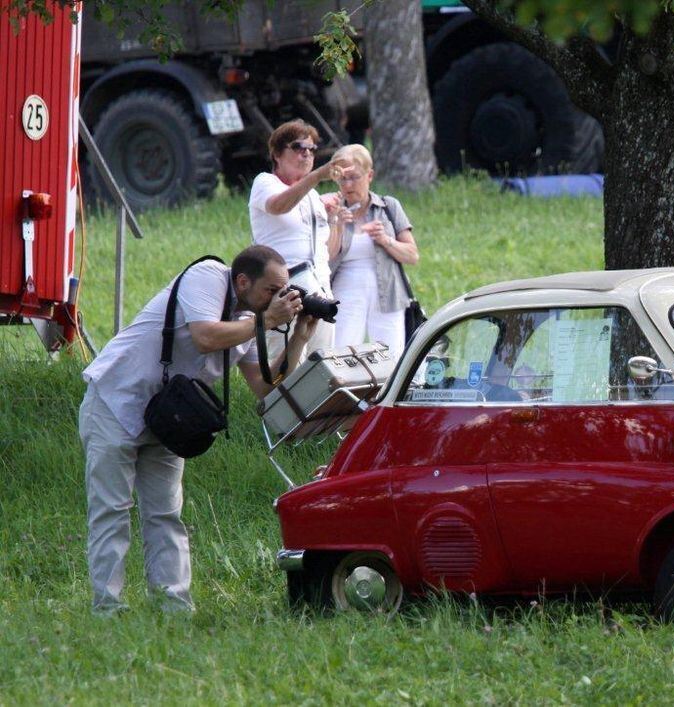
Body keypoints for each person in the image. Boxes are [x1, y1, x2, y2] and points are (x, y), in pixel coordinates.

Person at [79, 245, 316, 614]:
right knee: (112, 510)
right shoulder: (207, 276)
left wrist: (300, 334)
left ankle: (174, 607)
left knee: (165, 513)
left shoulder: (248, 318)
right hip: (116, 401)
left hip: (168, 417)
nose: (278, 298)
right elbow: (205, 336)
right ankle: (108, 609)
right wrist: (266, 321)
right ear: (242, 281)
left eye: (282, 290)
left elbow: (265, 388)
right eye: (271, 290)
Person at [249, 119, 341, 359]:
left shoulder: (312, 196)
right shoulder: (265, 182)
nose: (307, 154)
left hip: (320, 285)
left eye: (312, 150)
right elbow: (278, 206)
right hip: (285, 287)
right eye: (299, 147)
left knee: (322, 363)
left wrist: (335, 221)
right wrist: (318, 176)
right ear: (278, 154)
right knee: (285, 366)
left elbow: (326, 254)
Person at [327, 144, 419, 360]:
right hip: (345, 290)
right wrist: (336, 225)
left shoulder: (388, 206)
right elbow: (327, 258)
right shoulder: (331, 208)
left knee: (391, 355)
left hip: (387, 291)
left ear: (369, 176)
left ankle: (387, 393)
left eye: (355, 177)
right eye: (342, 179)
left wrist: (385, 240)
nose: (348, 185)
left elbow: (412, 255)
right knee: (343, 352)